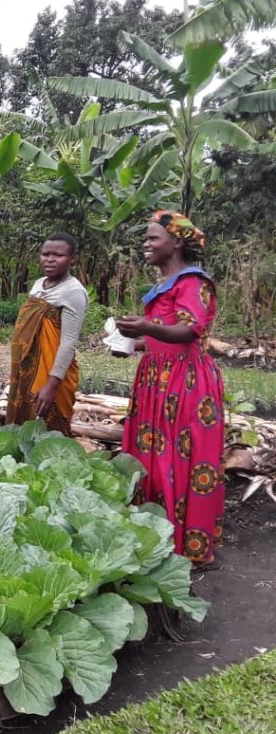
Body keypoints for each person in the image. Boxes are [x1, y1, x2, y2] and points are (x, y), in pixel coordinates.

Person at [117, 211, 225, 566]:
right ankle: (157, 534)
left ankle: (182, 544)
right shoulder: (167, 283)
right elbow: (165, 335)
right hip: (158, 377)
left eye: (153, 238)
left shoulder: (193, 282)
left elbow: (190, 331)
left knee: (177, 457)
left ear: (176, 242)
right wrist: (139, 341)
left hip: (184, 382)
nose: (146, 244)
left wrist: (146, 327)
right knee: (153, 456)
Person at [6, 233, 89, 435]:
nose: (50, 259)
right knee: (22, 429)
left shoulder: (74, 292)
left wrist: (52, 384)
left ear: (72, 259)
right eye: (45, 254)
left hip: (51, 374)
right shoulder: (38, 285)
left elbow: (68, 342)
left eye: (58, 255)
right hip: (27, 368)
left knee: (48, 430)